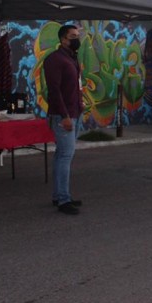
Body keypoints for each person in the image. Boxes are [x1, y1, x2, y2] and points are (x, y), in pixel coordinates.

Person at [43, 24, 84, 215]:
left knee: (62, 155)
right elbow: (54, 90)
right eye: (73, 36)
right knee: (65, 156)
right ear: (63, 39)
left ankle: (60, 194)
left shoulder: (71, 58)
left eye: (77, 35)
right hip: (64, 115)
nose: (76, 39)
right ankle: (63, 200)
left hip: (74, 112)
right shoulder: (55, 60)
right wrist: (65, 116)